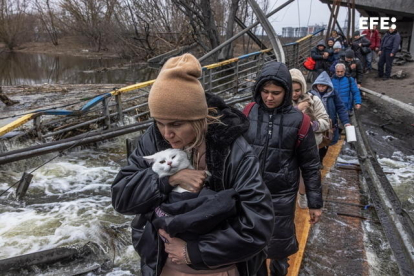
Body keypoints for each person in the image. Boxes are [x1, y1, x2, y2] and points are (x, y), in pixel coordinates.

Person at [111, 53, 275, 276]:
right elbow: (121, 199)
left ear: (199, 119)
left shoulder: (234, 149)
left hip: (218, 268)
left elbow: (258, 226)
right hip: (162, 263)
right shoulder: (154, 140)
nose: (167, 134)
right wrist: (168, 180)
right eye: (159, 123)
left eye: (177, 124)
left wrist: (193, 251)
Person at [243, 61, 323, 276]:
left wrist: (315, 203)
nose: (269, 97)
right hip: (249, 192)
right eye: (265, 91)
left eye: (276, 93)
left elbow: (310, 164)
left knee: (279, 246)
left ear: (286, 92)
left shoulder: (300, 121)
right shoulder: (249, 112)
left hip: (281, 195)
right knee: (250, 245)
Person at [290, 68, 330, 209]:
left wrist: (312, 125)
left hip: (309, 144)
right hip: (288, 146)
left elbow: (325, 121)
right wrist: (297, 109)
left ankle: (302, 195)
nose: (294, 94)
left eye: (297, 90)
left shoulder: (313, 100)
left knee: (304, 173)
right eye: (291, 90)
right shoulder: (281, 103)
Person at [309, 71, 350, 165]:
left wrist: (346, 122)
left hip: (328, 124)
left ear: (328, 86)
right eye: (319, 86)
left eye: (323, 86)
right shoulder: (310, 94)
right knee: (313, 142)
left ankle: (320, 161)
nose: (321, 88)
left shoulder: (333, 94)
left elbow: (340, 108)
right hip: (315, 123)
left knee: (325, 143)